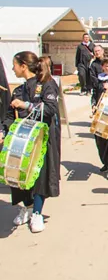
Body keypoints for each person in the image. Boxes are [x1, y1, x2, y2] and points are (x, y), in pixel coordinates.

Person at [1, 51, 60, 233]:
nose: (13, 68)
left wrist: (25, 105)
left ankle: (37, 213)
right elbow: (10, 115)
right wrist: (3, 131)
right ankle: (26, 207)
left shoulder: (47, 85)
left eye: (15, 65)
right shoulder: (19, 90)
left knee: (39, 177)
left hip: (41, 140)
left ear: (23, 66)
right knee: (18, 175)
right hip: (20, 141)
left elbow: (50, 109)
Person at [88, 45, 105, 110]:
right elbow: (93, 77)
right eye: (95, 51)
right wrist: (101, 85)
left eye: (99, 51)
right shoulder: (93, 64)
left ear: (102, 51)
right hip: (99, 87)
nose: (97, 52)